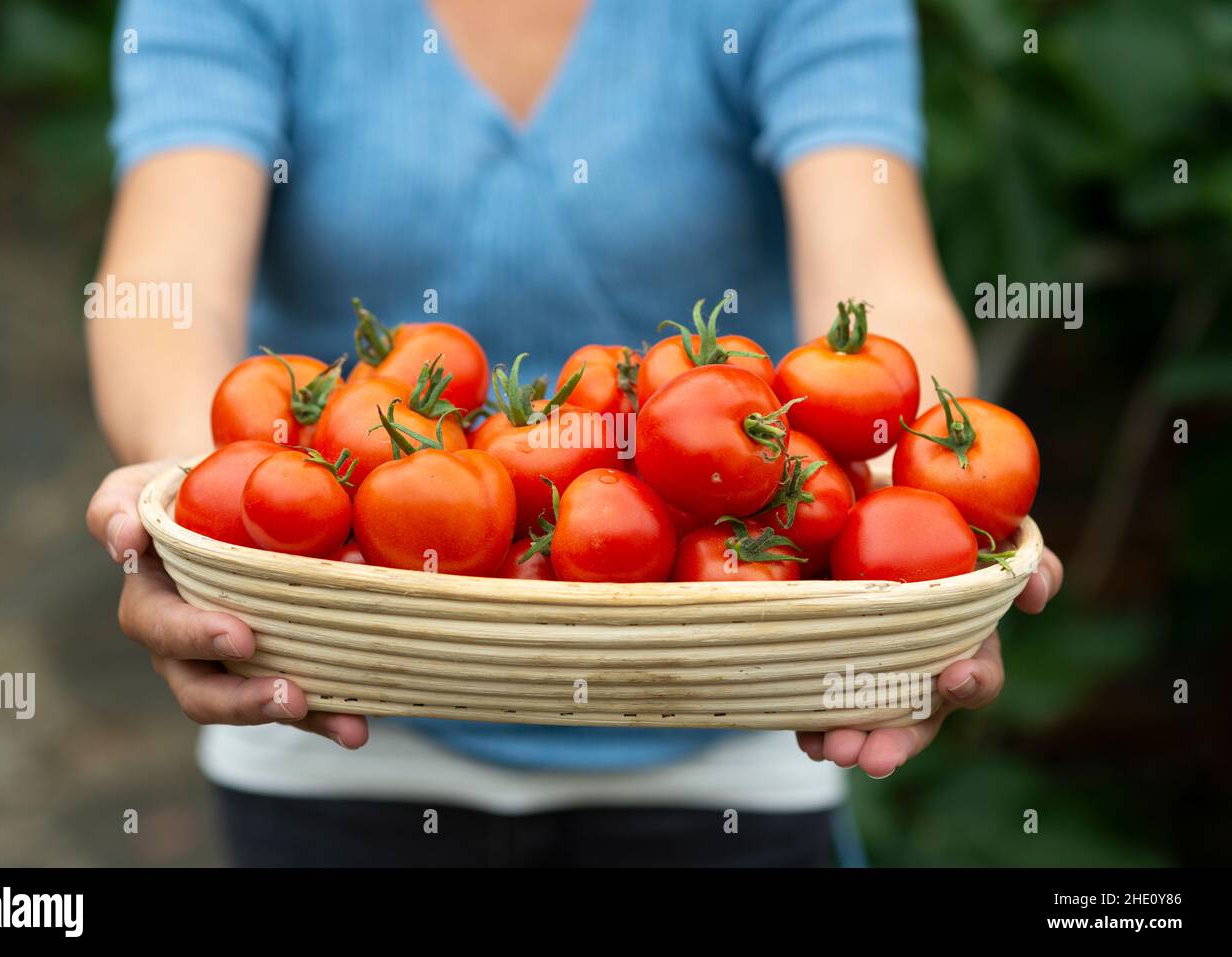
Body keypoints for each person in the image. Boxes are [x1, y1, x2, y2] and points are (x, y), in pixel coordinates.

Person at [85, 0, 1063, 867]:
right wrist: (198, 509)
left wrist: (921, 531)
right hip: (326, 701)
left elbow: (879, 274)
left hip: (731, 717)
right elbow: (159, 291)